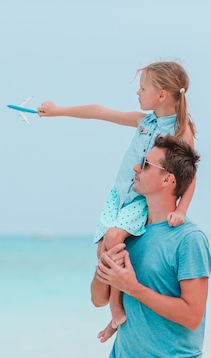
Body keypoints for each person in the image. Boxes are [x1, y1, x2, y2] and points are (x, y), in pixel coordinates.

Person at [38, 60, 197, 342]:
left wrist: (181, 210)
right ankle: (113, 309)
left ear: (161, 95)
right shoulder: (144, 121)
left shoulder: (180, 131)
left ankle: (116, 310)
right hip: (119, 196)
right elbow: (100, 112)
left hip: (139, 201)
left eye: (143, 87)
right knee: (103, 253)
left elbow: (190, 174)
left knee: (113, 237)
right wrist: (57, 111)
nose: (138, 92)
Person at [91, 135, 211, 358]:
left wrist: (132, 287)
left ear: (168, 180)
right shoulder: (127, 233)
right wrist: (105, 269)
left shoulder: (189, 239)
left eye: (145, 165)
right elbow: (98, 299)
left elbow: (192, 315)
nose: (135, 167)